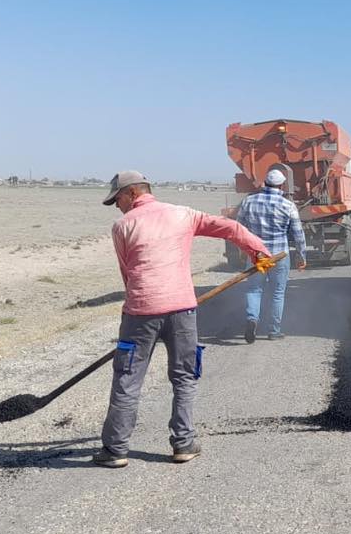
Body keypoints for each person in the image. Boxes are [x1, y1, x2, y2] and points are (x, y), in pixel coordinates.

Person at [93, 170, 274, 468]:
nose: (117, 205)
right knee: (184, 378)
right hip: (182, 310)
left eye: (118, 199)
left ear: (133, 193)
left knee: (127, 380)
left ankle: (115, 450)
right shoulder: (183, 214)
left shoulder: (122, 225)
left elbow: (127, 274)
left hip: (140, 313)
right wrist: (259, 252)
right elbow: (230, 227)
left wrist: (142, 301)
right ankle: (184, 443)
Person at [236, 167, 307, 343]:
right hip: (278, 256)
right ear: (282, 186)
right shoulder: (288, 205)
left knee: (254, 290)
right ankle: (274, 331)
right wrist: (301, 256)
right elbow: (298, 234)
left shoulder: (249, 202)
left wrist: (241, 250)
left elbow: (239, 229)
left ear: (265, 183)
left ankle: (252, 319)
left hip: (257, 255)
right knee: (277, 293)